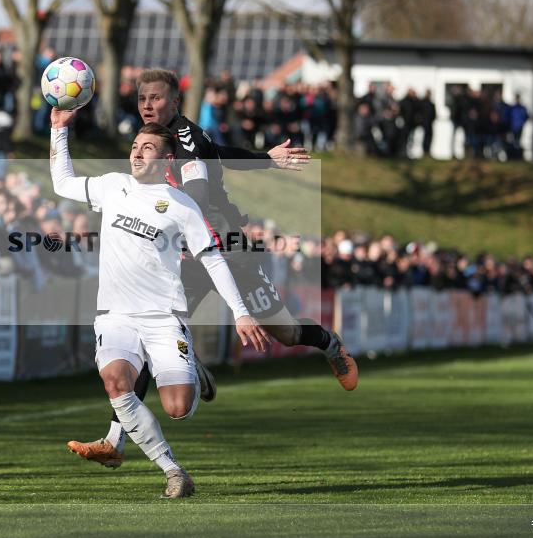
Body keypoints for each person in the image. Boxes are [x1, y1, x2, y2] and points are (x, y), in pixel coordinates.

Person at [67, 69, 357, 469]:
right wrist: (265, 159)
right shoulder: (155, 138)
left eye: (155, 98)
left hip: (227, 249)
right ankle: (117, 440)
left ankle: (327, 341)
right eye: (142, 99)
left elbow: (198, 193)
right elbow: (222, 151)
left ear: (174, 103)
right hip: (185, 256)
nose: (147, 105)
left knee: (284, 332)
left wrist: (164, 216)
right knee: (147, 330)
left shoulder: (186, 141)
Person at [50, 107, 271, 498]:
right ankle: (173, 472)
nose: (136, 153)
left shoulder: (183, 205)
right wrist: (59, 131)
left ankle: (190, 372)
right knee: (116, 381)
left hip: (165, 316)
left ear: (167, 158)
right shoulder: (114, 185)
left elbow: (213, 259)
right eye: (135, 146)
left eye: (147, 147)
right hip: (115, 315)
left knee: (177, 408)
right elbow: (63, 182)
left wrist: (241, 312)